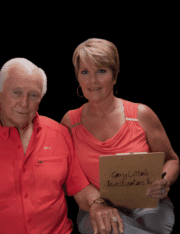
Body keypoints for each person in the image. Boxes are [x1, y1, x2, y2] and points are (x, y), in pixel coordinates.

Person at [0, 58, 99, 233]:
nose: (24, 103)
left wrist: (99, 205)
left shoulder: (60, 134)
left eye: (33, 95)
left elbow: (81, 189)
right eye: (16, 92)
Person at [61, 38, 179, 234]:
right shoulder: (70, 122)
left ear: (114, 77)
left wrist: (165, 181)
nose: (93, 81)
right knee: (114, 228)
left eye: (101, 71)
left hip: (149, 205)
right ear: (77, 78)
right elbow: (67, 177)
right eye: (85, 72)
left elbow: (171, 159)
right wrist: (95, 202)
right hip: (95, 208)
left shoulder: (141, 114)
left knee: (148, 225)